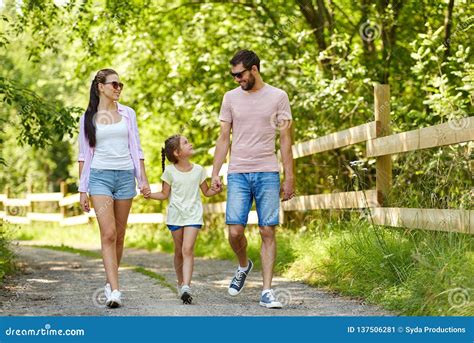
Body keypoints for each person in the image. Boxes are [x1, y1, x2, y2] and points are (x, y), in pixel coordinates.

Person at [211, 50, 295, 308]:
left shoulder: (278, 96)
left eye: (240, 74)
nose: (236, 79)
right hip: (237, 172)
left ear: (254, 69)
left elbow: (285, 139)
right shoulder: (230, 98)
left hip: (268, 172)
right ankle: (243, 264)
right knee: (235, 231)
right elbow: (224, 138)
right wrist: (215, 172)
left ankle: (267, 291)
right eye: (233, 75)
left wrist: (289, 177)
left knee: (267, 229)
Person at [78, 68, 151, 308]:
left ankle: (111, 281)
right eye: (114, 84)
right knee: (108, 233)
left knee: (119, 234)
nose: (118, 88)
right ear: (100, 86)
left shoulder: (128, 113)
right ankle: (115, 291)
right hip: (100, 177)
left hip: (125, 177)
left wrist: (144, 180)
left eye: (120, 85)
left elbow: (137, 149)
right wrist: (82, 189)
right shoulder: (88, 117)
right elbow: (83, 156)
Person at [145, 134, 222, 304]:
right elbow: (165, 194)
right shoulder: (169, 172)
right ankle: (180, 283)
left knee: (188, 249)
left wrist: (216, 190)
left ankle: (187, 286)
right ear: (177, 153)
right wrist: (150, 195)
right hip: (175, 216)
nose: (190, 144)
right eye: (186, 143)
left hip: (193, 215)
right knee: (179, 251)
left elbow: (206, 192)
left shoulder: (199, 170)